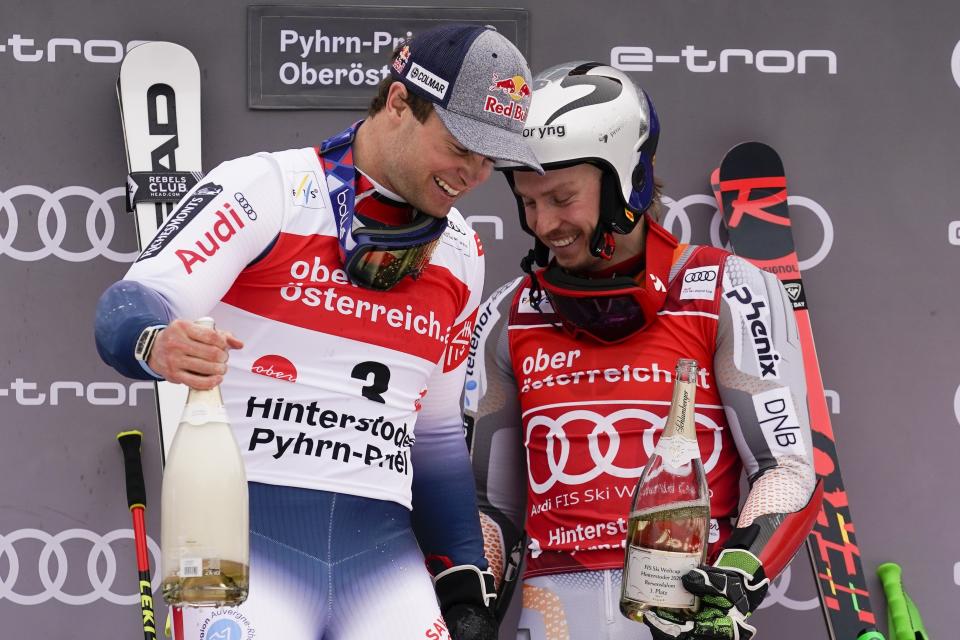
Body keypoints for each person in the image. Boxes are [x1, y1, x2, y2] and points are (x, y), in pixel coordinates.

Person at [95, 24, 542, 640]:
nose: (472, 173)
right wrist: (154, 341)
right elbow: (128, 304)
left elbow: (435, 440)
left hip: (383, 566)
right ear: (398, 103)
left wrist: (463, 588)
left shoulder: (460, 249)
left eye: (490, 158)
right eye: (461, 146)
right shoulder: (268, 189)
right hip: (246, 553)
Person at [465, 61, 823, 640]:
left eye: (561, 197)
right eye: (528, 202)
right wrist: (470, 603)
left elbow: (785, 469)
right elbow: (492, 505)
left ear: (624, 181)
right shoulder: (510, 313)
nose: (544, 224)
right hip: (553, 619)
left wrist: (736, 579)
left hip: (685, 618)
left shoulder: (728, 289)